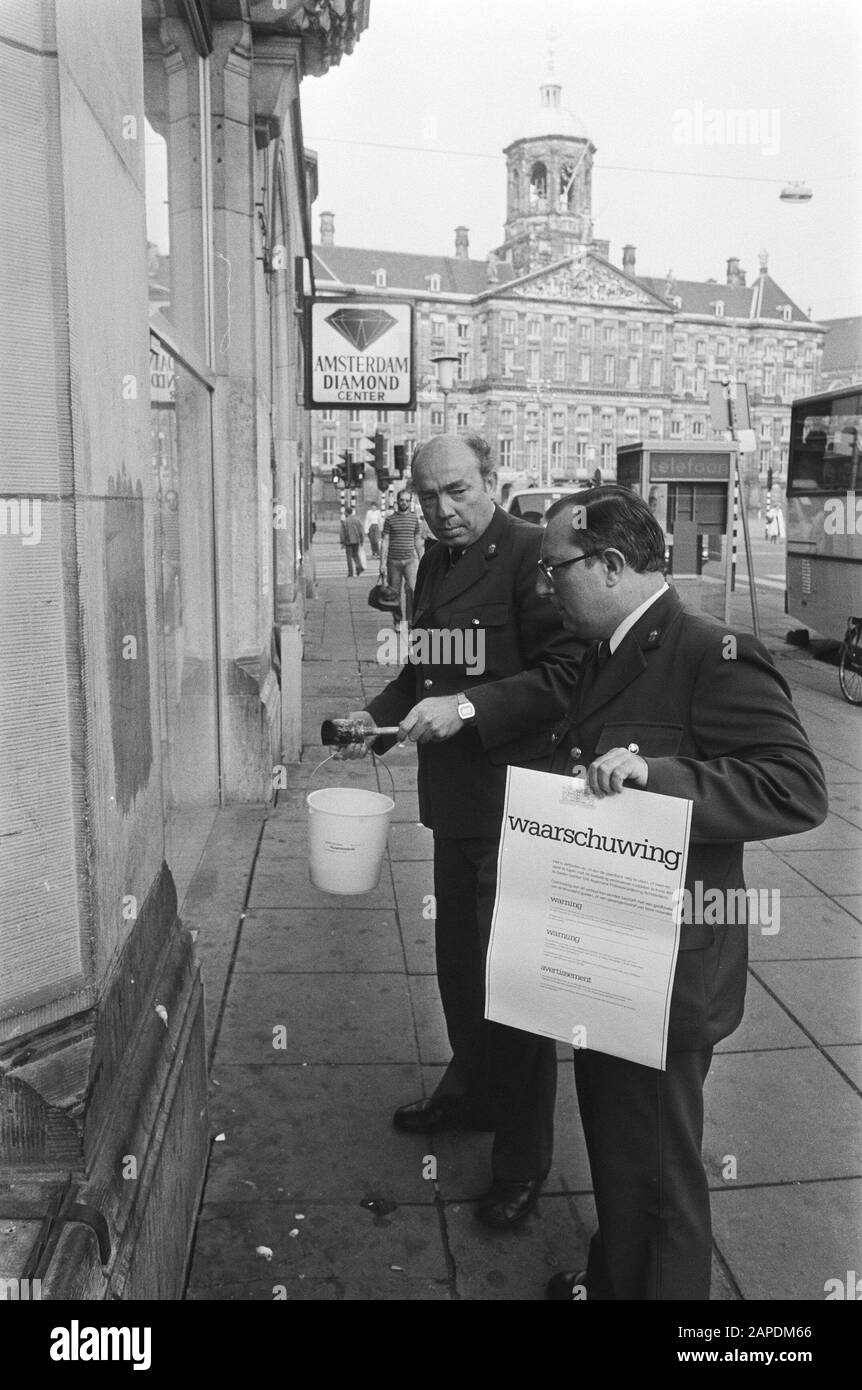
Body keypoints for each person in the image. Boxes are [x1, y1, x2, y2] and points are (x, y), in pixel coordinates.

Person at [536, 485, 827, 1300]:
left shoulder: (711, 651)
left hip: (667, 966)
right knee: (620, 1147)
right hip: (611, 948)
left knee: (660, 1171)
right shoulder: (609, 645)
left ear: (612, 565)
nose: (545, 586)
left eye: (554, 569)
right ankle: (616, 1273)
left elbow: (796, 787)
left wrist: (656, 778)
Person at [337, 434, 582, 1228]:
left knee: (515, 992)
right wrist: (374, 720)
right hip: (456, 806)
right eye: (427, 496)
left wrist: (469, 709)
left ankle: (521, 1163)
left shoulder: (530, 558)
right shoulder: (440, 561)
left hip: (518, 806)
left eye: (457, 491)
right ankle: (471, 1093)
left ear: (492, 480)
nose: (442, 510)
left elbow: (565, 675)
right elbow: (424, 671)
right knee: (460, 974)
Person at [379, 489, 423, 623]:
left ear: (410, 502)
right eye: (402, 500)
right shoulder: (390, 520)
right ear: (397, 501)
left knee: (413, 590)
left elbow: (417, 540)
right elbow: (385, 541)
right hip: (394, 561)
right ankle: (397, 621)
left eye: (407, 500)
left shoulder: (414, 519)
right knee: (395, 593)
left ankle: (411, 620)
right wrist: (382, 563)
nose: (404, 503)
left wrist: (423, 559)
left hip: (411, 560)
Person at [339, 506, 366, 577]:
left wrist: (342, 542)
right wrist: (362, 540)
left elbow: (342, 533)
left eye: (345, 512)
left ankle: (350, 573)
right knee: (355, 555)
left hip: (348, 542)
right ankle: (359, 567)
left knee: (349, 557)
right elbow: (361, 531)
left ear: (346, 513)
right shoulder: (357, 520)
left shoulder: (345, 521)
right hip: (356, 541)